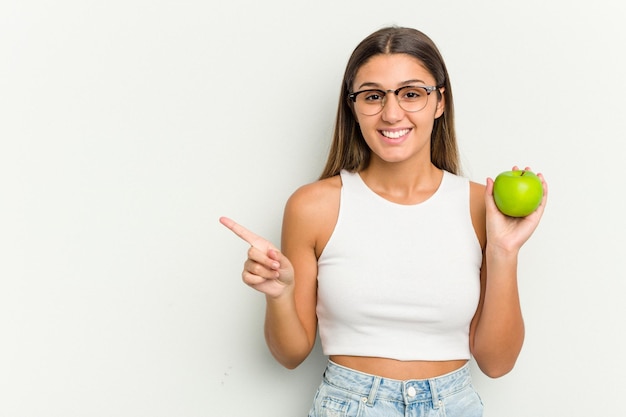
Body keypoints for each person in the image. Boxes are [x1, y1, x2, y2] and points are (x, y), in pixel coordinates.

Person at [220, 26, 547, 417]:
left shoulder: (483, 205)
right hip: (348, 404)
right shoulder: (313, 206)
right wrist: (279, 296)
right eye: (373, 96)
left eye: (411, 93)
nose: (392, 113)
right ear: (353, 107)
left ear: (439, 102)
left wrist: (504, 252)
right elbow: (290, 355)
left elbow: (497, 363)